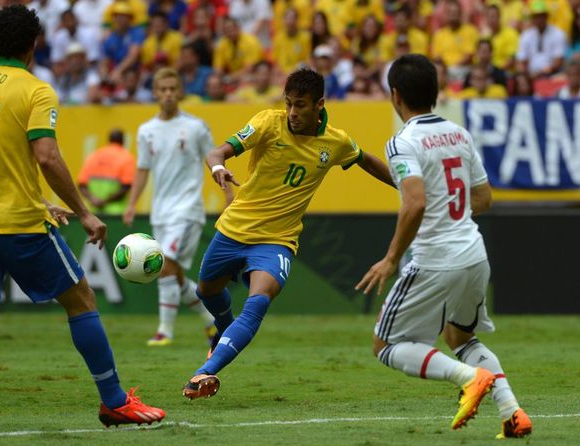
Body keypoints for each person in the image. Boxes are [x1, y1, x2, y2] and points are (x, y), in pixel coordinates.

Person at [0, 5, 164, 430]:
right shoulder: (36, 91)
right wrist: (85, 213)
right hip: (21, 224)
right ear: (34, 46)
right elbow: (47, 157)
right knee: (80, 300)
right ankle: (113, 401)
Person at [181, 68, 394, 400]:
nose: (293, 113)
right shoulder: (268, 122)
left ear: (319, 105)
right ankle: (224, 329)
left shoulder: (334, 142)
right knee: (206, 290)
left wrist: (406, 187)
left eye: (301, 105)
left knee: (258, 301)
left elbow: (367, 161)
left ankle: (205, 372)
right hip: (235, 228)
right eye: (289, 104)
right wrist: (218, 168)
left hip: (277, 241)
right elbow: (217, 152)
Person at [356, 54, 532, 439]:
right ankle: (513, 412)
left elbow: (416, 201)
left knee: (385, 345)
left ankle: (471, 378)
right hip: (473, 253)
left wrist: (390, 259)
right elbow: (483, 198)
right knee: (460, 337)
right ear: (435, 93)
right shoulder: (458, 133)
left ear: (395, 95)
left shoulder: (403, 142)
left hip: (435, 260)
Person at [123, 67, 227, 347]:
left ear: (180, 91)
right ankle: (212, 324)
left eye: (173, 89)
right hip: (161, 212)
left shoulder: (196, 127)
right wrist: (132, 204)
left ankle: (164, 331)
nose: (168, 94)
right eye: (163, 89)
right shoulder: (146, 131)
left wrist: (227, 190)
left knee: (164, 265)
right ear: (155, 93)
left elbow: (214, 159)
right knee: (172, 273)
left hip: (187, 209)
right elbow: (143, 169)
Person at [78, 128, 135, 215]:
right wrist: (105, 201)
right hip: (116, 214)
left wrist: (93, 199)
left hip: (93, 213)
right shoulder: (126, 157)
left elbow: (81, 185)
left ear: (109, 140)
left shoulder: (94, 155)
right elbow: (126, 186)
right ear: (123, 141)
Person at [516, 0, 566, 79]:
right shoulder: (526, 35)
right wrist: (525, 74)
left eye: (541, 16)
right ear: (532, 18)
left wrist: (542, 72)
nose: (539, 19)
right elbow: (521, 61)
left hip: (552, 74)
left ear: (546, 16)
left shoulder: (558, 34)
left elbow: (558, 62)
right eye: (536, 16)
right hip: (531, 76)